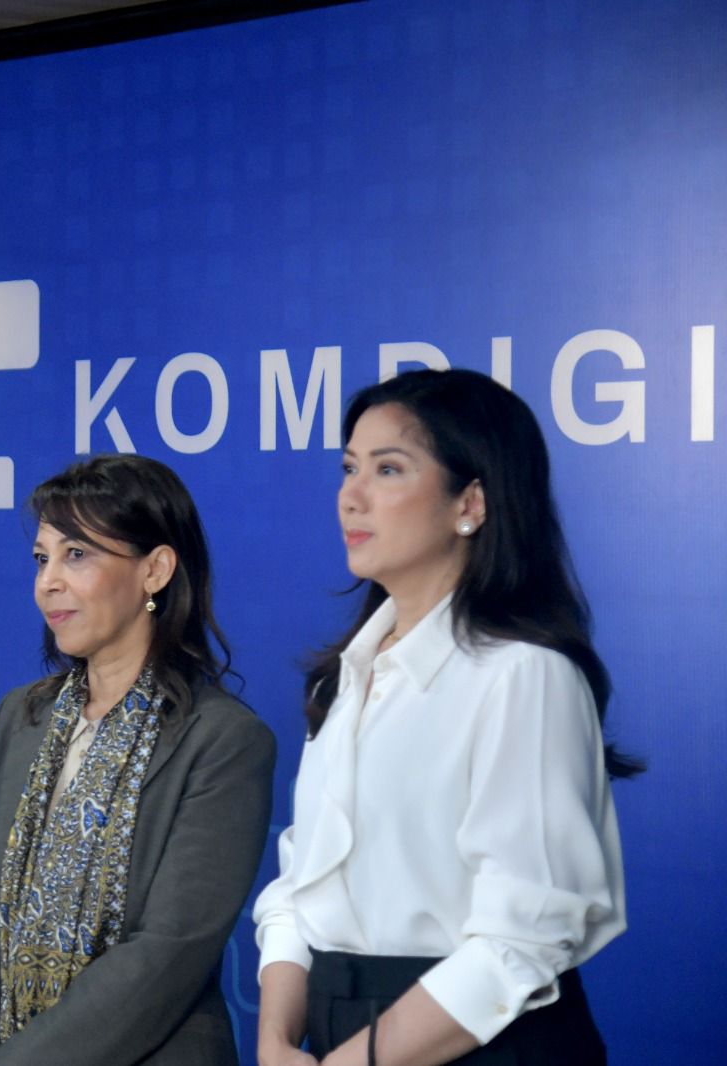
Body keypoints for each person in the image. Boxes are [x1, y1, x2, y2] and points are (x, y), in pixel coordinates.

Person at [252, 369, 634, 1066]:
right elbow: (298, 888)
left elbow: (524, 936)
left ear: (471, 502)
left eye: (388, 469)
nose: (351, 496)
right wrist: (275, 1039)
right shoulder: (344, 678)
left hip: (482, 1042)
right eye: (349, 468)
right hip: (335, 1032)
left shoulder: (524, 675)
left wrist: (355, 1060)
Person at [0, 453, 276, 1065]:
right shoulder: (20, 719)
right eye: (41, 558)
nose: (48, 582)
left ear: (155, 570)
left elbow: (166, 954)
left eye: (76, 555)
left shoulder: (223, 741)